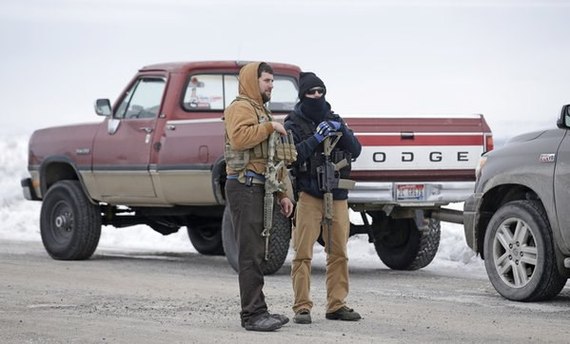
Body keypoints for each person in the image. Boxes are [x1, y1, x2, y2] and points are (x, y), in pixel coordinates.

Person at [284, 72, 362, 324]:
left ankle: (336, 305)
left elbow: (356, 150)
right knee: (303, 253)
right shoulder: (293, 123)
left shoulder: (334, 118)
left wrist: (342, 131)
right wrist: (316, 138)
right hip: (309, 194)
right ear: (303, 95)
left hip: (337, 195)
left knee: (339, 252)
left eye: (320, 91)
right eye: (311, 92)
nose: (317, 96)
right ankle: (302, 307)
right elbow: (292, 156)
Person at [223, 62, 294, 332]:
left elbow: (272, 160)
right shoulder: (240, 107)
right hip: (244, 186)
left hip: (260, 187)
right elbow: (240, 139)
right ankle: (252, 315)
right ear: (253, 81)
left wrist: (283, 193)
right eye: (266, 80)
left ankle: (259, 310)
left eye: (272, 81)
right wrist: (269, 128)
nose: (271, 85)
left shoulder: (260, 110)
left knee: (258, 251)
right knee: (250, 253)